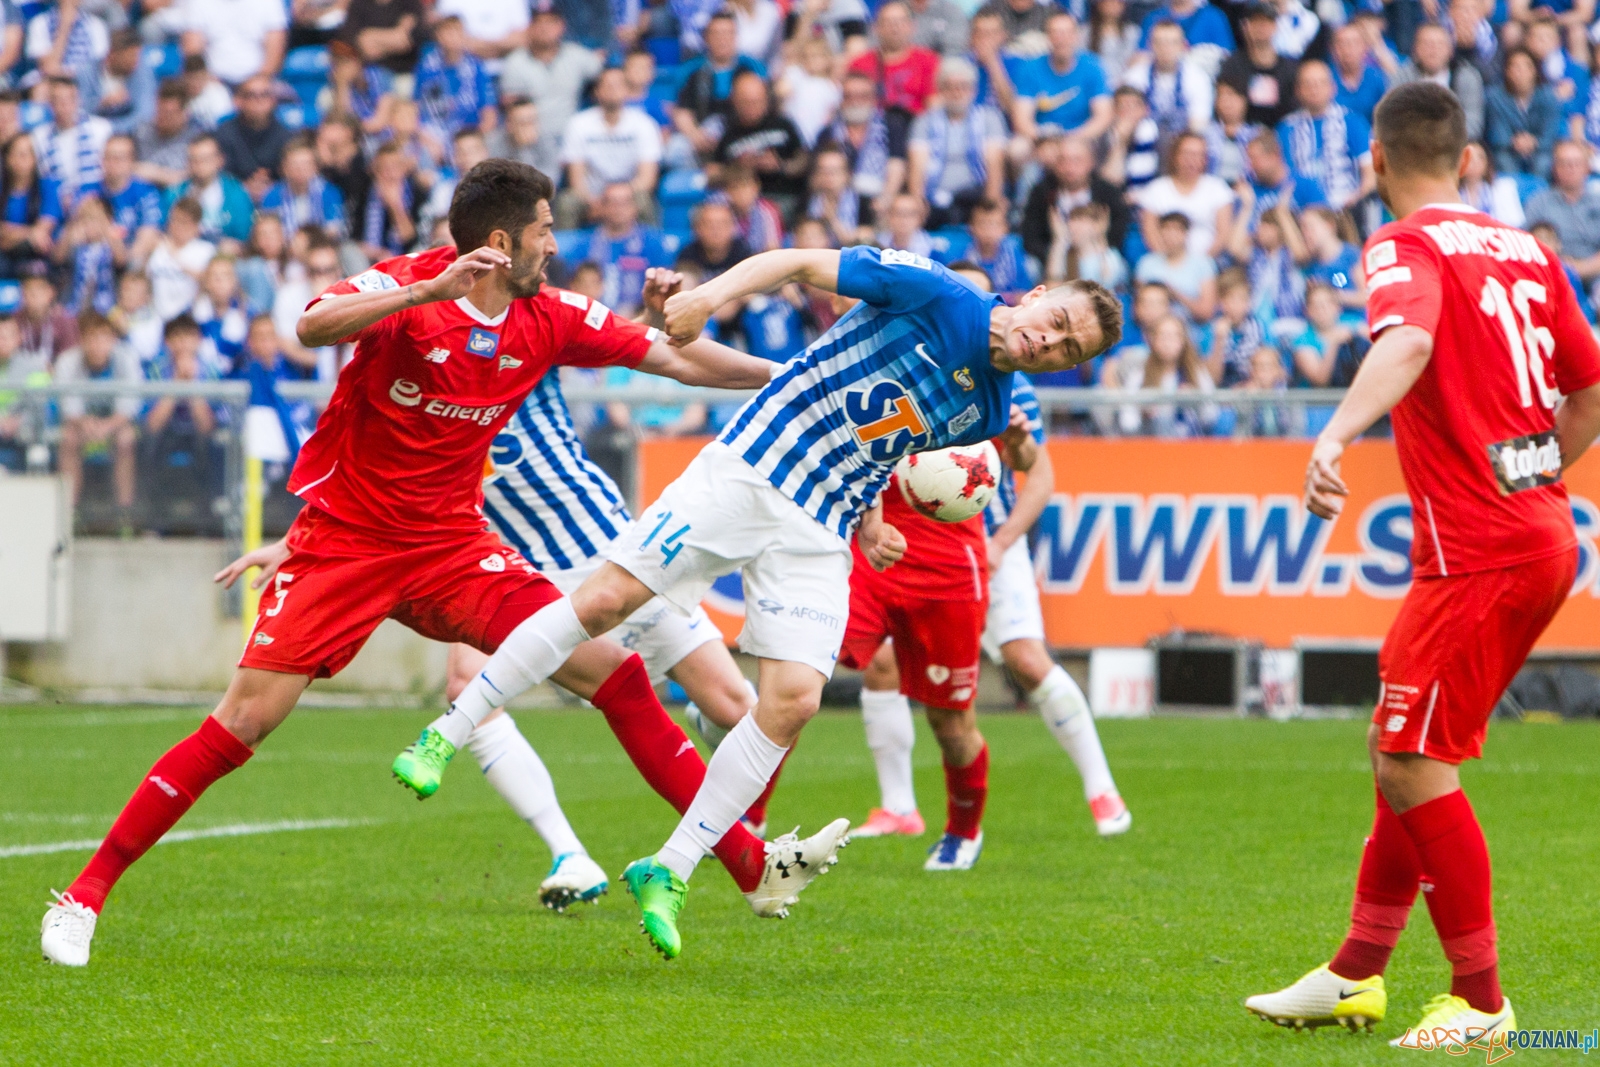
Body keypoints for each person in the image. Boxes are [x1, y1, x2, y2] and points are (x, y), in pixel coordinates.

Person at [37, 160, 789, 969]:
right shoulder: (410, 288)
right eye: (543, 231)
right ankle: (82, 896)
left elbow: (674, 359)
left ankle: (748, 861)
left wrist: (791, 384)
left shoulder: (552, 314)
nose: (555, 245)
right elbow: (313, 326)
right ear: (501, 243)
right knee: (245, 720)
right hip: (346, 544)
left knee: (610, 668)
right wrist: (424, 295)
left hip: (453, 547)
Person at [417, 238, 1124, 959]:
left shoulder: (990, 412)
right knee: (606, 602)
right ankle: (451, 727)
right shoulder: (939, 290)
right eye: (1061, 321)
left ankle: (672, 866)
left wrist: (875, 513)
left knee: (792, 701)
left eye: (1070, 351)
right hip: (751, 468)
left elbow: (877, 444)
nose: (1053, 342)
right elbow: (797, 260)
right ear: (1038, 296)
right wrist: (706, 299)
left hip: (822, 523)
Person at [1247, 81, 1600, 1044]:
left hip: (1481, 551)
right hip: (1533, 534)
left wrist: (1333, 436)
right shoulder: (1530, 248)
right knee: (1400, 745)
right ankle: (1357, 970)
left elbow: (1406, 338)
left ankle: (1483, 1001)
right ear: (1471, 161)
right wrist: (1531, 479)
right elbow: (1588, 383)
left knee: (1410, 757)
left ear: (1374, 161)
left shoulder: (1404, 245)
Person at [53, 308, 141, 516]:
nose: (98, 345)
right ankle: (69, 513)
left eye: (104, 338)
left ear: (113, 340)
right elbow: (67, 404)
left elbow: (130, 404)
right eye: (92, 338)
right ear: (82, 339)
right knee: (68, 439)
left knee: (126, 439)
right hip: (81, 425)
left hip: (115, 424)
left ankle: (124, 512)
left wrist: (107, 425)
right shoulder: (67, 361)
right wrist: (85, 423)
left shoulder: (127, 358)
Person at [558, 66, 662, 230]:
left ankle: (651, 250)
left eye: (618, 85)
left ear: (627, 90)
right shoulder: (578, 124)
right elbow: (576, 179)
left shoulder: (645, 124)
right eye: (608, 85)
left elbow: (647, 178)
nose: (613, 90)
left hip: (630, 194)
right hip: (591, 197)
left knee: (644, 201)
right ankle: (561, 254)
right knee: (567, 202)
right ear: (597, 91)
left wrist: (619, 201)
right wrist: (598, 203)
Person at [907, 57, 1005, 228]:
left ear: (973, 90)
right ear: (941, 90)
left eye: (963, 87)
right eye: (950, 87)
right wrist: (918, 207)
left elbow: (994, 165)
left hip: (974, 195)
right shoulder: (924, 121)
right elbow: (917, 168)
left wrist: (990, 208)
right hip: (935, 197)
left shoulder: (989, 118)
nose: (957, 92)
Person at [1277, 60, 1375, 211]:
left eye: (1320, 83)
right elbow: (1280, 174)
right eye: (1307, 84)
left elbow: (1370, 173)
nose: (1314, 89)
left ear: (1332, 88)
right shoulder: (1286, 128)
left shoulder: (1352, 122)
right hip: (1300, 211)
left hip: (1345, 208)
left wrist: (1355, 198)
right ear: (1297, 91)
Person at [708, 70, 809, 211]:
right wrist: (739, 167)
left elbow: (804, 161)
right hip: (744, 204)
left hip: (785, 197)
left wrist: (780, 165)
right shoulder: (728, 134)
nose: (752, 108)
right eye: (746, 102)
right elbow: (711, 174)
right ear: (735, 101)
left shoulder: (783, 125)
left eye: (757, 101)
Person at [1011, 12, 1111, 144]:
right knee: (1017, 149)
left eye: (1067, 33)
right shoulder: (1030, 68)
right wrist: (1044, 141)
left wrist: (1073, 140)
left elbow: (1103, 116)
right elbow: (1021, 119)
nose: (1061, 39)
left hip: (1083, 137)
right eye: (1056, 33)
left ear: (1076, 36)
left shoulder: (1093, 66)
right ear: (1048, 37)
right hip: (1042, 137)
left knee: (1110, 139)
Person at [1136, 131, 1234, 259]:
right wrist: (1168, 263)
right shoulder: (1156, 189)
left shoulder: (1218, 189)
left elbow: (1223, 233)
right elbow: (1150, 231)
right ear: (1175, 156)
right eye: (1187, 154)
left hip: (1207, 265)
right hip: (1164, 263)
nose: (1192, 160)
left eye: (1198, 155)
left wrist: (1198, 265)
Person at [585, 182, 678, 316]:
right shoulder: (585, 245)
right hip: (592, 319)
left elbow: (662, 290)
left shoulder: (654, 244)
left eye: (624, 203)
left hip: (641, 319)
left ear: (635, 207)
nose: (618, 209)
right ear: (602, 207)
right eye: (612, 203)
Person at [1121, 20, 1213, 147]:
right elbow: (1124, 120)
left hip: (1181, 146)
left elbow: (1199, 125)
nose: (1165, 49)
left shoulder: (1198, 78)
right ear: (1150, 45)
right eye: (1159, 43)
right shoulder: (1134, 77)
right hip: (1141, 142)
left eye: (1172, 43)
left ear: (1183, 46)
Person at [1390, 24, 1485, 144]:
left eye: (1439, 45)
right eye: (1427, 44)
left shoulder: (1466, 76)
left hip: (1454, 147)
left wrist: (1440, 135)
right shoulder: (1403, 76)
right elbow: (1393, 117)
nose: (1433, 50)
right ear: (1416, 49)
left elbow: (1473, 123)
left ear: (1450, 50)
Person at [1524, 141, 1600, 286]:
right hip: (1551, 274)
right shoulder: (1538, 204)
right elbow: (1527, 245)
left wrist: (1581, 268)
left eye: (1576, 163)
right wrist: (1562, 267)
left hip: (1595, 274)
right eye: (1564, 163)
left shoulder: (1598, 202)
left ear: (1587, 168)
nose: (1571, 168)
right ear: (1555, 168)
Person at [846, 2, 940, 117]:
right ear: (876, 27)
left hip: (914, 125)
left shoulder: (928, 61)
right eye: (888, 22)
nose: (895, 28)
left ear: (912, 26)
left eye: (900, 22)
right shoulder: (860, 64)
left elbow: (934, 106)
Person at [33, 77, 112, 212]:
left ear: (78, 100)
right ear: (50, 104)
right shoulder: (39, 137)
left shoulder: (101, 129)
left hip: (97, 203)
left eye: (68, 100)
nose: (63, 106)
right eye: (57, 101)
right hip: (58, 207)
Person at [412, 15, 495, 141]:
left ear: (464, 36)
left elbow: (489, 112)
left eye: (457, 32)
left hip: (469, 133)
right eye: (447, 32)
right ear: (438, 36)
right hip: (433, 134)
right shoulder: (426, 67)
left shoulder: (477, 68)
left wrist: (476, 138)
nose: (452, 38)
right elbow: (414, 107)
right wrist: (426, 139)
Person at [1218, 2, 1298, 129]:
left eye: (1266, 22)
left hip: (1281, 133)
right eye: (1255, 22)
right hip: (1242, 134)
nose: (1261, 27)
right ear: (1246, 26)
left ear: (1275, 26)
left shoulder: (1290, 68)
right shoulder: (1232, 65)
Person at [214, 74, 293, 201]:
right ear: (239, 101)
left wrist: (272, 189)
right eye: (251, 95)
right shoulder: (224, 133)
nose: (259, 100)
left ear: (273, 100)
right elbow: (218, 176)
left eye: (264, 94)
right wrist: (243, 188)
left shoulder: (287, 136)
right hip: (232, 199)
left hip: (279, 200)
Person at [1486, 49, 1560, 180]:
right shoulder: (1495, 97)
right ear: (1507, 71)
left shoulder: (1548, 96)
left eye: (1526, 67)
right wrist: (1514, 142)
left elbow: (1550, 132)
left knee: (1544, 162)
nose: (1520, 73)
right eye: (1515, 67)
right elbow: (1496, 133)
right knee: (1502, 159)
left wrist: (1535, 142)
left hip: (1540, 148)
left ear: (1534, 71)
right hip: (1507, 148)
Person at [170, 134, 254, 247]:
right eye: (193, 159)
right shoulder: (175, 193)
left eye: (205, 159)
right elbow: (163, 230)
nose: (199, 165)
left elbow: (243, 238)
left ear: (220, 160)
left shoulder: (236, 194)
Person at [261, 135, 348, 242]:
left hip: (320, 248)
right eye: (294, 165)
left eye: (305, 164)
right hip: (284, 251)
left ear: (316, 167)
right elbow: (268, 232)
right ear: (284, 168)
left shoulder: (329, 192)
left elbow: (334, 229)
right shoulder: (272, 195)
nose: (300, 170)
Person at [179, 0, 287, 85]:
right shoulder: (198, 2)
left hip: (258, 82)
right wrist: (209, 80)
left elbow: (274, 54)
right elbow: (193, 53)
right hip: (212, 83)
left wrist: (257, 80)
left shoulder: (270, 2)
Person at [0, 133, 63, 278]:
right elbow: (35, 233)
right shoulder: (2, 188)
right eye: (15, 154)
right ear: (7, 158)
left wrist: (10, 235)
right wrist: (29, 233)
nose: (19, 160)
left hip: (37, 253)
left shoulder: (48, 186)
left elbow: (44, 229)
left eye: (25, 154)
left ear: (35, 158)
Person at [1136, 211, 1217, 322]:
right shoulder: (1147, 263)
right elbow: (1138, 308)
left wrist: (1176, 295)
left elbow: (1206, 312)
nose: (1171, 235)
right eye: (1167, 229)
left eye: (1177, 230)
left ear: (1186, 234)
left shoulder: (1203, 263)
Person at [134, 80, 201, 190]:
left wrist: (157, 174)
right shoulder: (141, 132)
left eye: (169, 113)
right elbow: (127, 165)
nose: (162, 117)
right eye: (160, 111)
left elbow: (197, 174)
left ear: (185, 113)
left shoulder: (196, 139)